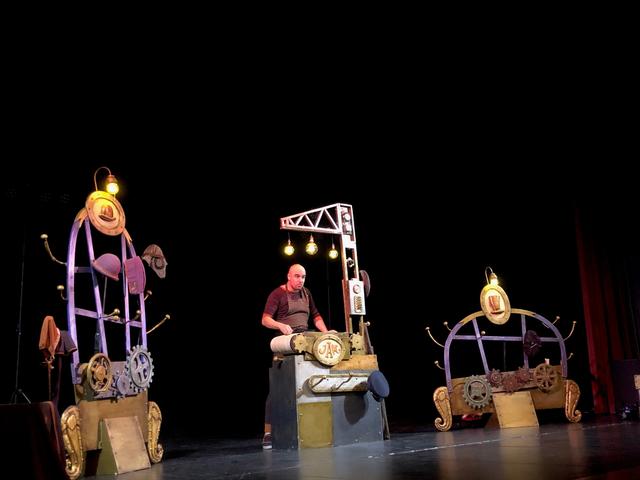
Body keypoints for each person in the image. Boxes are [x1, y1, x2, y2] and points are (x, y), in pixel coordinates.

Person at [260, 263, 333, 449]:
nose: (301, 280)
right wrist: (280, 325)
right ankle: (268, 432)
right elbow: (265, 319)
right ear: (289, 276)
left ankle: (312, 426)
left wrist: (326, 333)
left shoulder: (306, 293)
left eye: (303, 277)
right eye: (297, 276)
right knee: (278, 389)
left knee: (311, 382)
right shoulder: (277, 294)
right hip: (285, 342)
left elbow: (316, 316)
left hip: (305, 339)